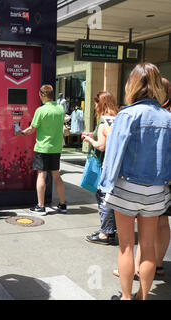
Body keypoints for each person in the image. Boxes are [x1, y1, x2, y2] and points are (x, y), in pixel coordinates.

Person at [99, 63, 170, 300]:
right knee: (148, 247)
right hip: (157, 189)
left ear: (134, 84)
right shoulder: (168, 118)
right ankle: (143, 296)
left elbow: (113, 154)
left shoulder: (127, 114)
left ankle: (127, 297)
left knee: (126, 246)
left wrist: (105, 185)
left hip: (126, 187)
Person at [18, 84, 67, 216]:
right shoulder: (60, 109)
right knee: (56, 176)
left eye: (40, 94)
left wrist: (20, 132)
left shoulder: (41, 110)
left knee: (42, 175)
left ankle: (40, 206)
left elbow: (32, 129)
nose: (39, 96)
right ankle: (62, 205)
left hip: (43, 148)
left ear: (43, 95)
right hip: (56, 148)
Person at [83, 92, 119, 245]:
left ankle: (106, 233)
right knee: (112, 198)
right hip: (119, 166)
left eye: (96, 103)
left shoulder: (104, 121)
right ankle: (109, 229)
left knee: (103, 197)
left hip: (107, 166)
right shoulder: (118, 119)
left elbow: (101, 146)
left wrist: (89, 139)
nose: (94, 107)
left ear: (101, 104)